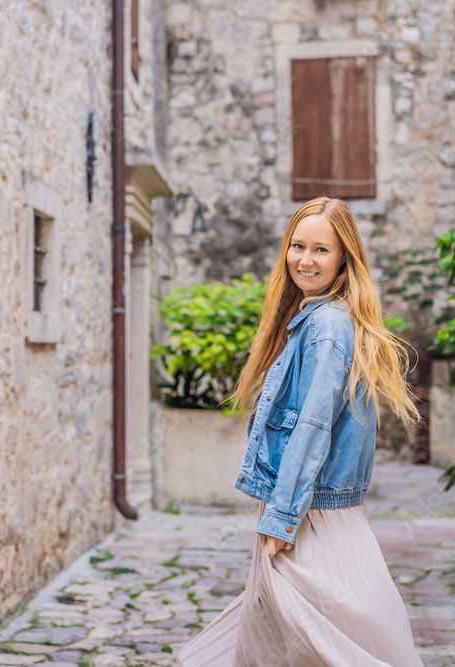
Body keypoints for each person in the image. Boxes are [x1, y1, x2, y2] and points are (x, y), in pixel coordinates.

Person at [177, 197, 423, 667]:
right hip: (316, 512)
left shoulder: (327, 326)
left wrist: (283, 518)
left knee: (311, 645)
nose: (305, 260)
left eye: (321, 250)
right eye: (297, 246)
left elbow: (312, 426)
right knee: (296, 641)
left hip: (311, 516)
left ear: (344, 260)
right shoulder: (317, 319)